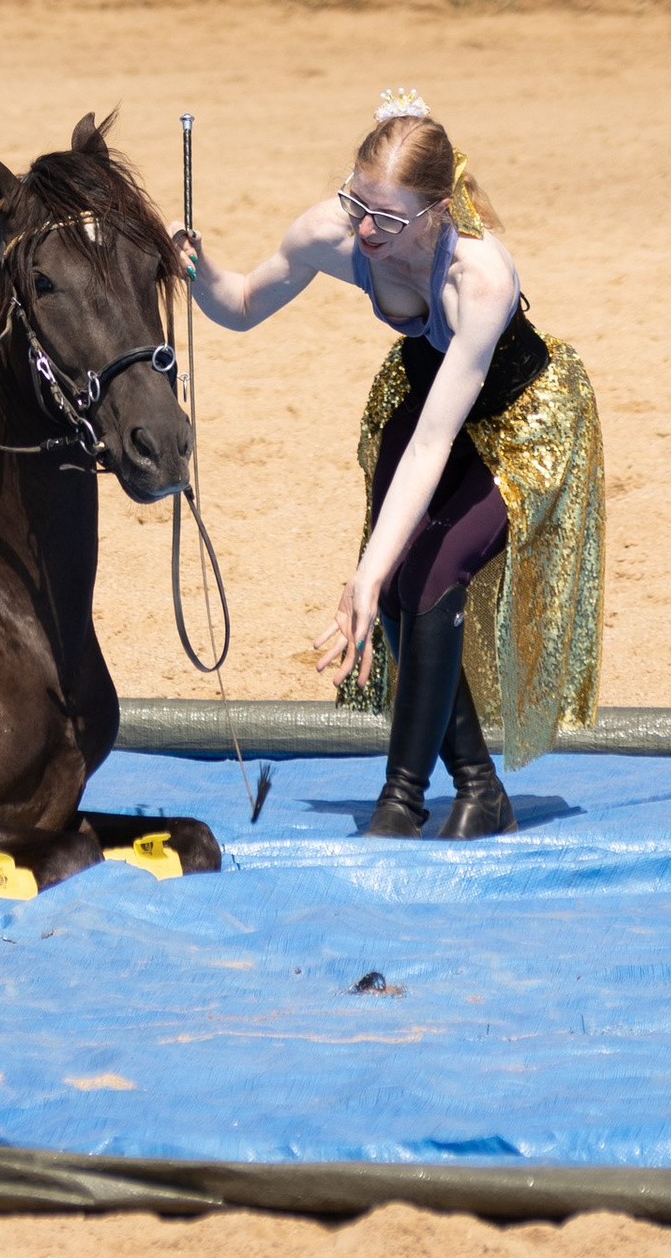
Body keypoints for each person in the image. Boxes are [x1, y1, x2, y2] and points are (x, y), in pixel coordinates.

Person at [173, 89, 604, 838]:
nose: (365, 229)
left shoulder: (480, 276)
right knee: (401, 582)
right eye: (356, 203)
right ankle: (476, 786)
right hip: (428, 393)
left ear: (439, 210)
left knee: (424, 578)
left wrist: (363, 576)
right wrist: (197, 266)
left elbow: (439, 440)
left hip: (521, 420)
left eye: (390, 218)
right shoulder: (332, 231)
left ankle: (399, 801)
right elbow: (240, 302)